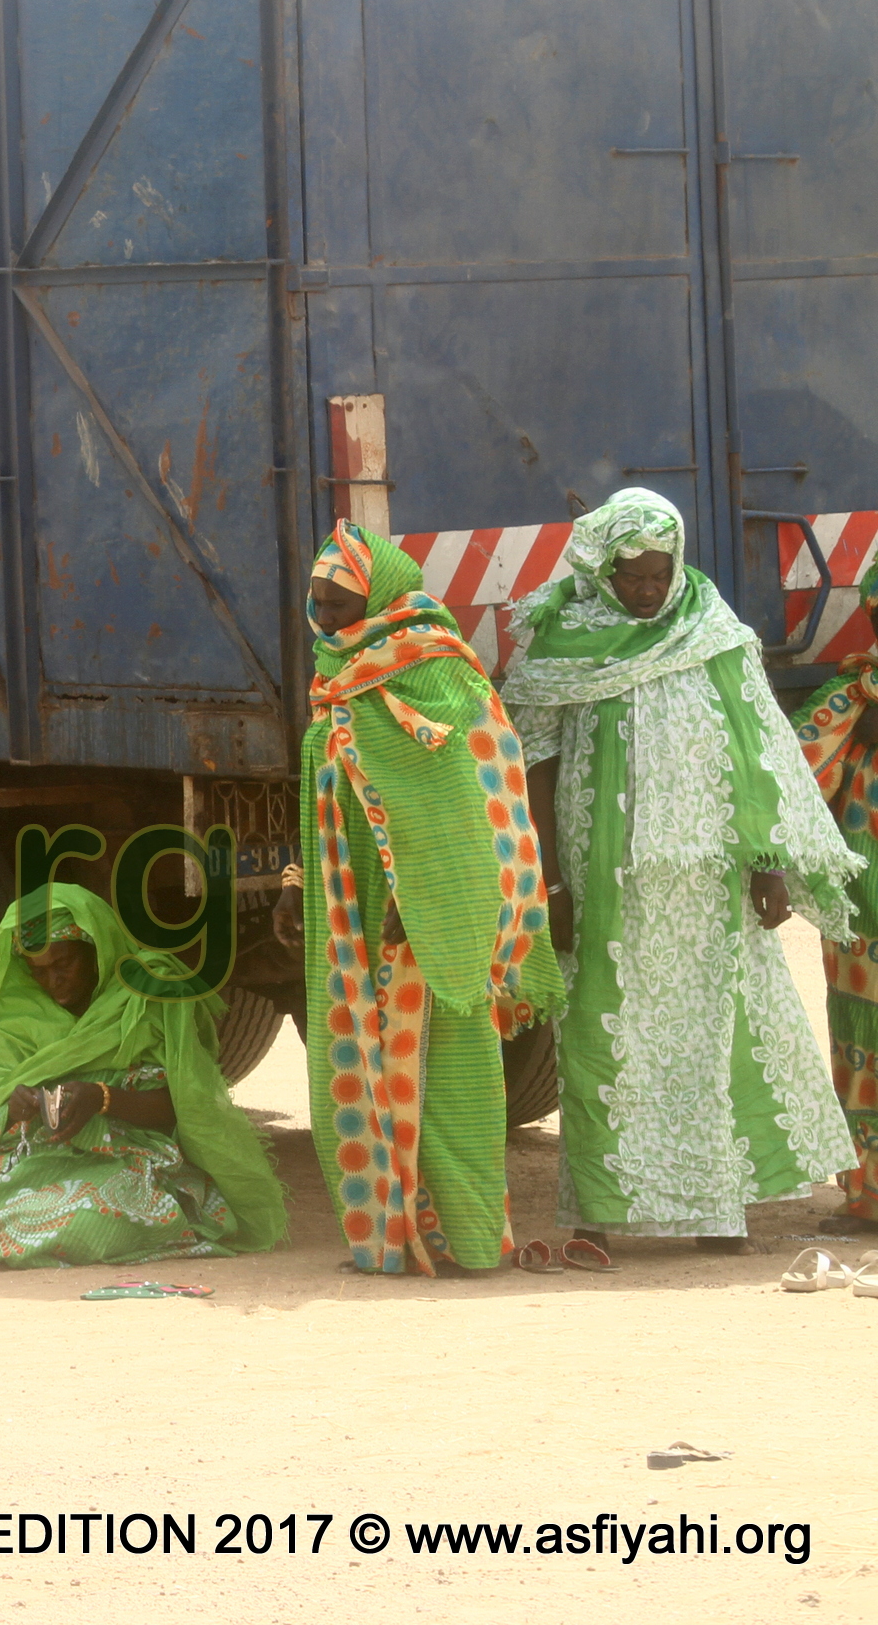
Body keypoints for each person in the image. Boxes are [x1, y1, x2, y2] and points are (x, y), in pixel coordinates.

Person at [503, 488, 859, 1252]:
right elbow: (533, 762)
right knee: (602, 1036)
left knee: (710, 1036)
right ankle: (598, 1212)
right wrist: (550, 882)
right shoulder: (558, 639)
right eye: (632, 574)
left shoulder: (711, 629)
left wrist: (766, 863)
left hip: (705, 881)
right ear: (603, 568)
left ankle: (715, 1209)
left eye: (659, 573)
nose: (647, 589)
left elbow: (752, 750)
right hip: (604, 881)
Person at [280, 522, 558, 1276]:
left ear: (381, 593)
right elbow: (325, 788)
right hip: (350, 901)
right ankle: (388, 1234)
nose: (328, 615)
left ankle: (468, 1238)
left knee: (450, 1067)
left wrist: (428, 895)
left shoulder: (435, 667)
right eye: (319, 600)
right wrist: (297, 882)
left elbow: (473, 794)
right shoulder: (338, 669)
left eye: (340, 601)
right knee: (357, 1053)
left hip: (429, 903)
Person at [0, 883, 286, 1268]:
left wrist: (102, 1098)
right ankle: (29, 1230)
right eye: (38, 971)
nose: (53, 981)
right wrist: (16, 1106)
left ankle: (31, 1231)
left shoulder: (149, 998)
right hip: (41, 1162)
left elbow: (184, 1108)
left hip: (130, 1160)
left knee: (86, 1223)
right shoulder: (21, 1018)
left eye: (63, 964)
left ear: (96, 949)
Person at [795, 562, 878, 1236]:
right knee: (862, 1047)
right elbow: (794, 783)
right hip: (862, 918)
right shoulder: (849, 700)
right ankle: (870, 1196)